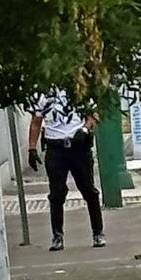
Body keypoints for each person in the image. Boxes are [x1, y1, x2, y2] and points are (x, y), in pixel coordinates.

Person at [28, 90, 104, 252]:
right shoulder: (42, 94)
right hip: (55, 147)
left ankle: (98, 232)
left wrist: (84, 130)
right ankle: (57, 236)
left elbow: (93, 116)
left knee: (88, 190)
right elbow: (36, 121)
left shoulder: (77, 88)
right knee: (56, 193)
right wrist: (32, 148)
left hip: (78, 146)